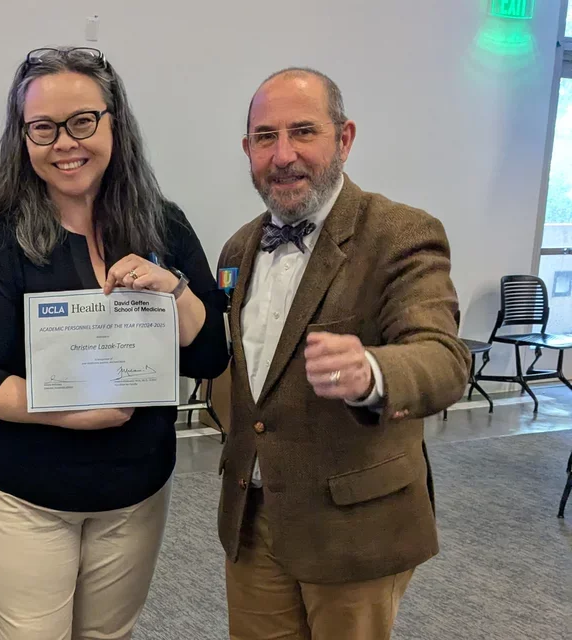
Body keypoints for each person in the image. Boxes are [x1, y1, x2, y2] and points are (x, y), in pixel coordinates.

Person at [0, 47, 230, 640]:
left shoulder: (163, 226)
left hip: (135, 491)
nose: (64, 142)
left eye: (82, 121)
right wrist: (66, 410)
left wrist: (175, 292)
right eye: (43, 128)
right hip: (25, 495)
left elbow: (210, 356)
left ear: (114, 122)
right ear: (23, 138)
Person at [217, 67, 470, 640]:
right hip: (254, 519)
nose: (283, 155)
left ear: (344, 138)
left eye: (303, 131)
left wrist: (373, 370)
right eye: (265, 137)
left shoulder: (400, 233)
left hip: (354, 526)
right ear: (248, 148)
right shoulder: (239, 246)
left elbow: (443, 358)